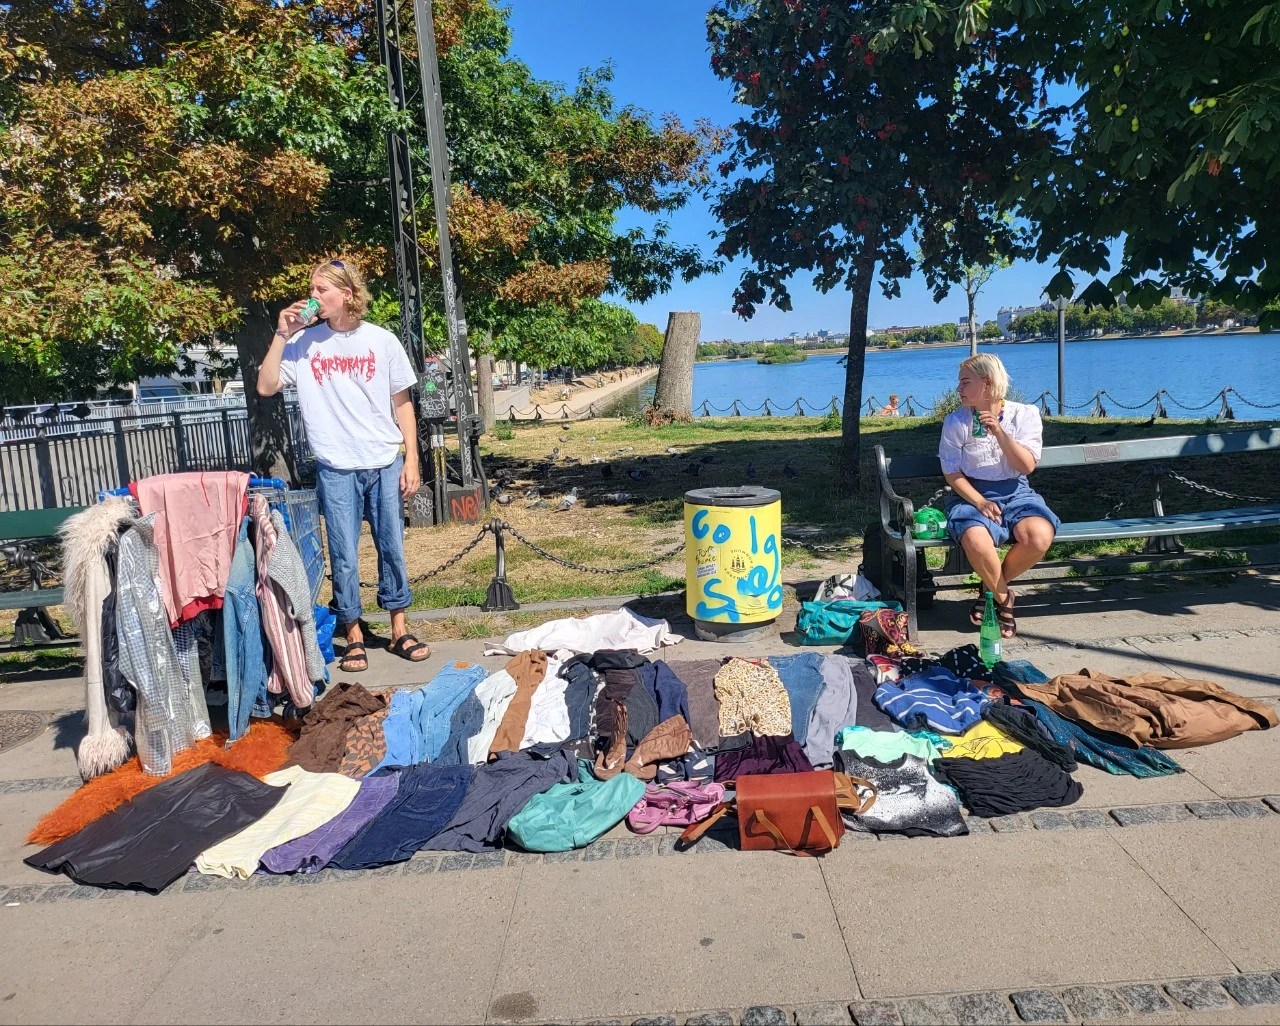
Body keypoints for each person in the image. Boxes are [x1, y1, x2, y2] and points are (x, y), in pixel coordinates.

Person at [257, 258, 430, 672]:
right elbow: (266, 386)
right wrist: (282, 334)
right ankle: (353, 634)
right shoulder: (304, 343)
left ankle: (399, 629)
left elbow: (402, 404)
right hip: (335, 465)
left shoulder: (382, 340)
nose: (313, 297)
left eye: (321, 290)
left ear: (346, 294)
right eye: (312, 290)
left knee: (392, 547)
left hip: (383, 460)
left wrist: (411, 459)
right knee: (344, 554)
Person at [937, 354, 1059, 638]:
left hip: (1016, 491)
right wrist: (979, 501)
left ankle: (988, 589)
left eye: (965, 382)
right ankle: (1004, 600)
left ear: (987, 382)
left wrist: (1000, 433)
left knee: (1039, 536)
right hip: (972, 494)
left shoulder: (1024, 414)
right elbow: (952, 472)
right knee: (975, 539)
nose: (958, 389)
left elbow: (1026, 467)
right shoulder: (956, 421)